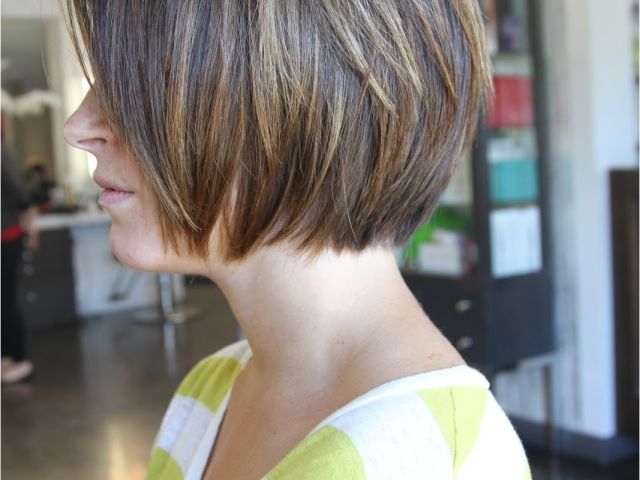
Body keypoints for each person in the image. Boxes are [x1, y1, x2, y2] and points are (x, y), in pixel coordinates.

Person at [63, 0, 531, 478]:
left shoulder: (420, 461)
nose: (78, 127)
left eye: (132, 84)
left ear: (301, 95)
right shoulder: (207, 393)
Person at [1, 139, 39, 384]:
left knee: (5, 300)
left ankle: (21, 360)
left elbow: (17, 190)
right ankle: (6, 357)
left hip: (6, 237)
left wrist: (31, 223)